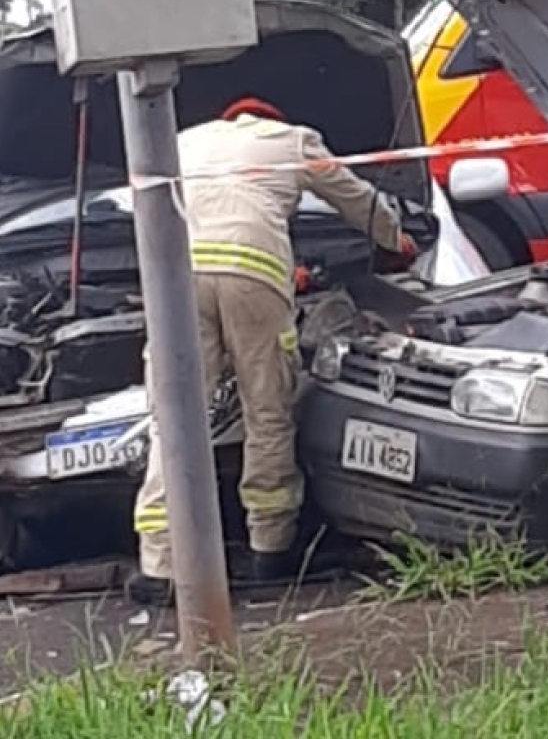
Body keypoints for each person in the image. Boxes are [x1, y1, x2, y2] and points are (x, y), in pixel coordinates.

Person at [126, 97, 417, 607]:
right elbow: (357, 198)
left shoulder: (184, 140)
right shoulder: (293, 140)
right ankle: (270, 547)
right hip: (253, 273)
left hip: (178, 274)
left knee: (173, 415)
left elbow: (146, 203)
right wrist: (397, 240)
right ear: (271, 121)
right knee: (267, 411)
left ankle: (160, 565)